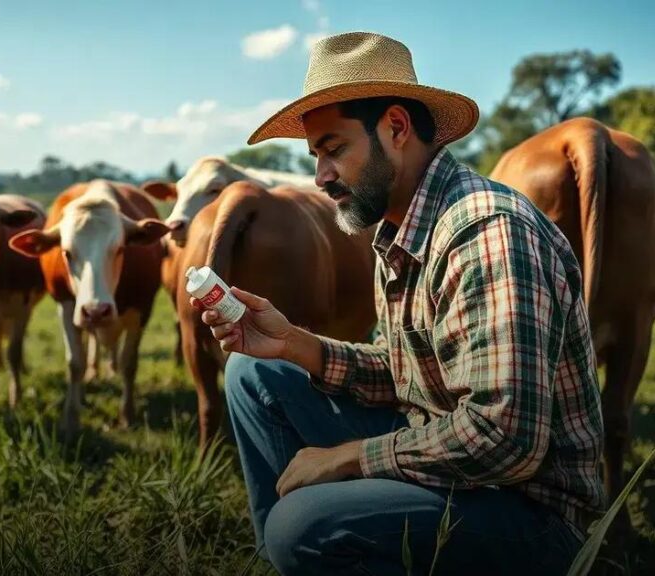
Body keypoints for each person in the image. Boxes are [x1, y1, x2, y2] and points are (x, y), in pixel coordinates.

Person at [192, 31, 607, 575]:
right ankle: (290, 559)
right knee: (253, 369)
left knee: (304, 525)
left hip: (529, 511)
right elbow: (405, 370)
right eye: (316, 156)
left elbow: (506, 440)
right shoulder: (398, 230)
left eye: (334, 149)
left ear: (395, 128)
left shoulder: (487, 234)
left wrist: (349, 459)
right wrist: (295, 344)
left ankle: (302, 543)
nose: (321, 177)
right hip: (447, 454)